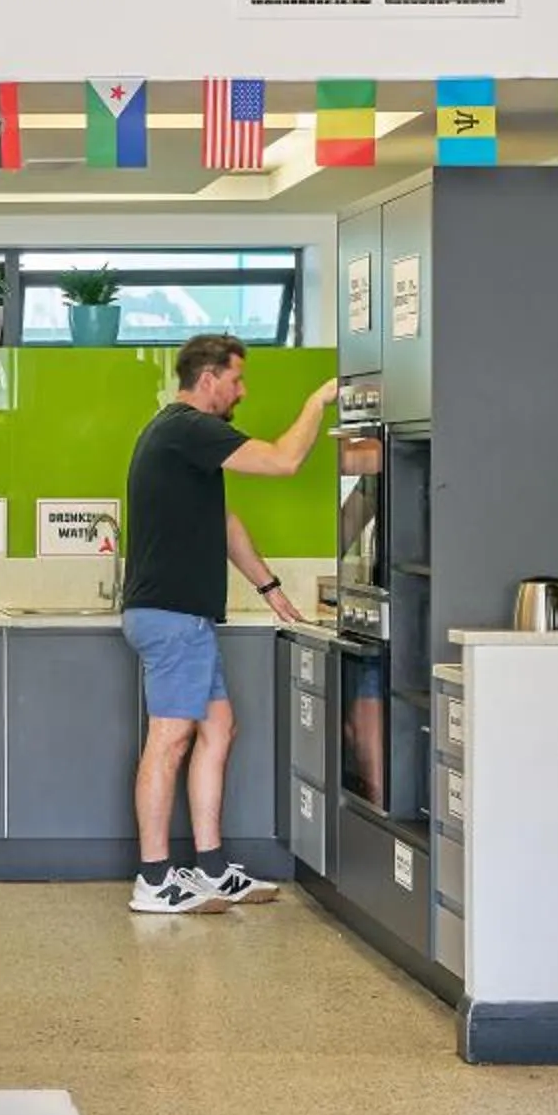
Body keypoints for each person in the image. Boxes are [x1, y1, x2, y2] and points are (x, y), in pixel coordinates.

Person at [120, 334, 337, 915]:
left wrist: (269, 588)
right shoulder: (187, 427)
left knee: (219, 729)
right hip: (172, 617)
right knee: (169, 741)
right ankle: (154, 879)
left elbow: (223, 523)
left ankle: (211, 870)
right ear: (209, 378)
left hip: (182, 617)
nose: (241, 391)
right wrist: (319, 401)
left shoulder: (181, 441)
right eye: (236, 380)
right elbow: (285, 461)